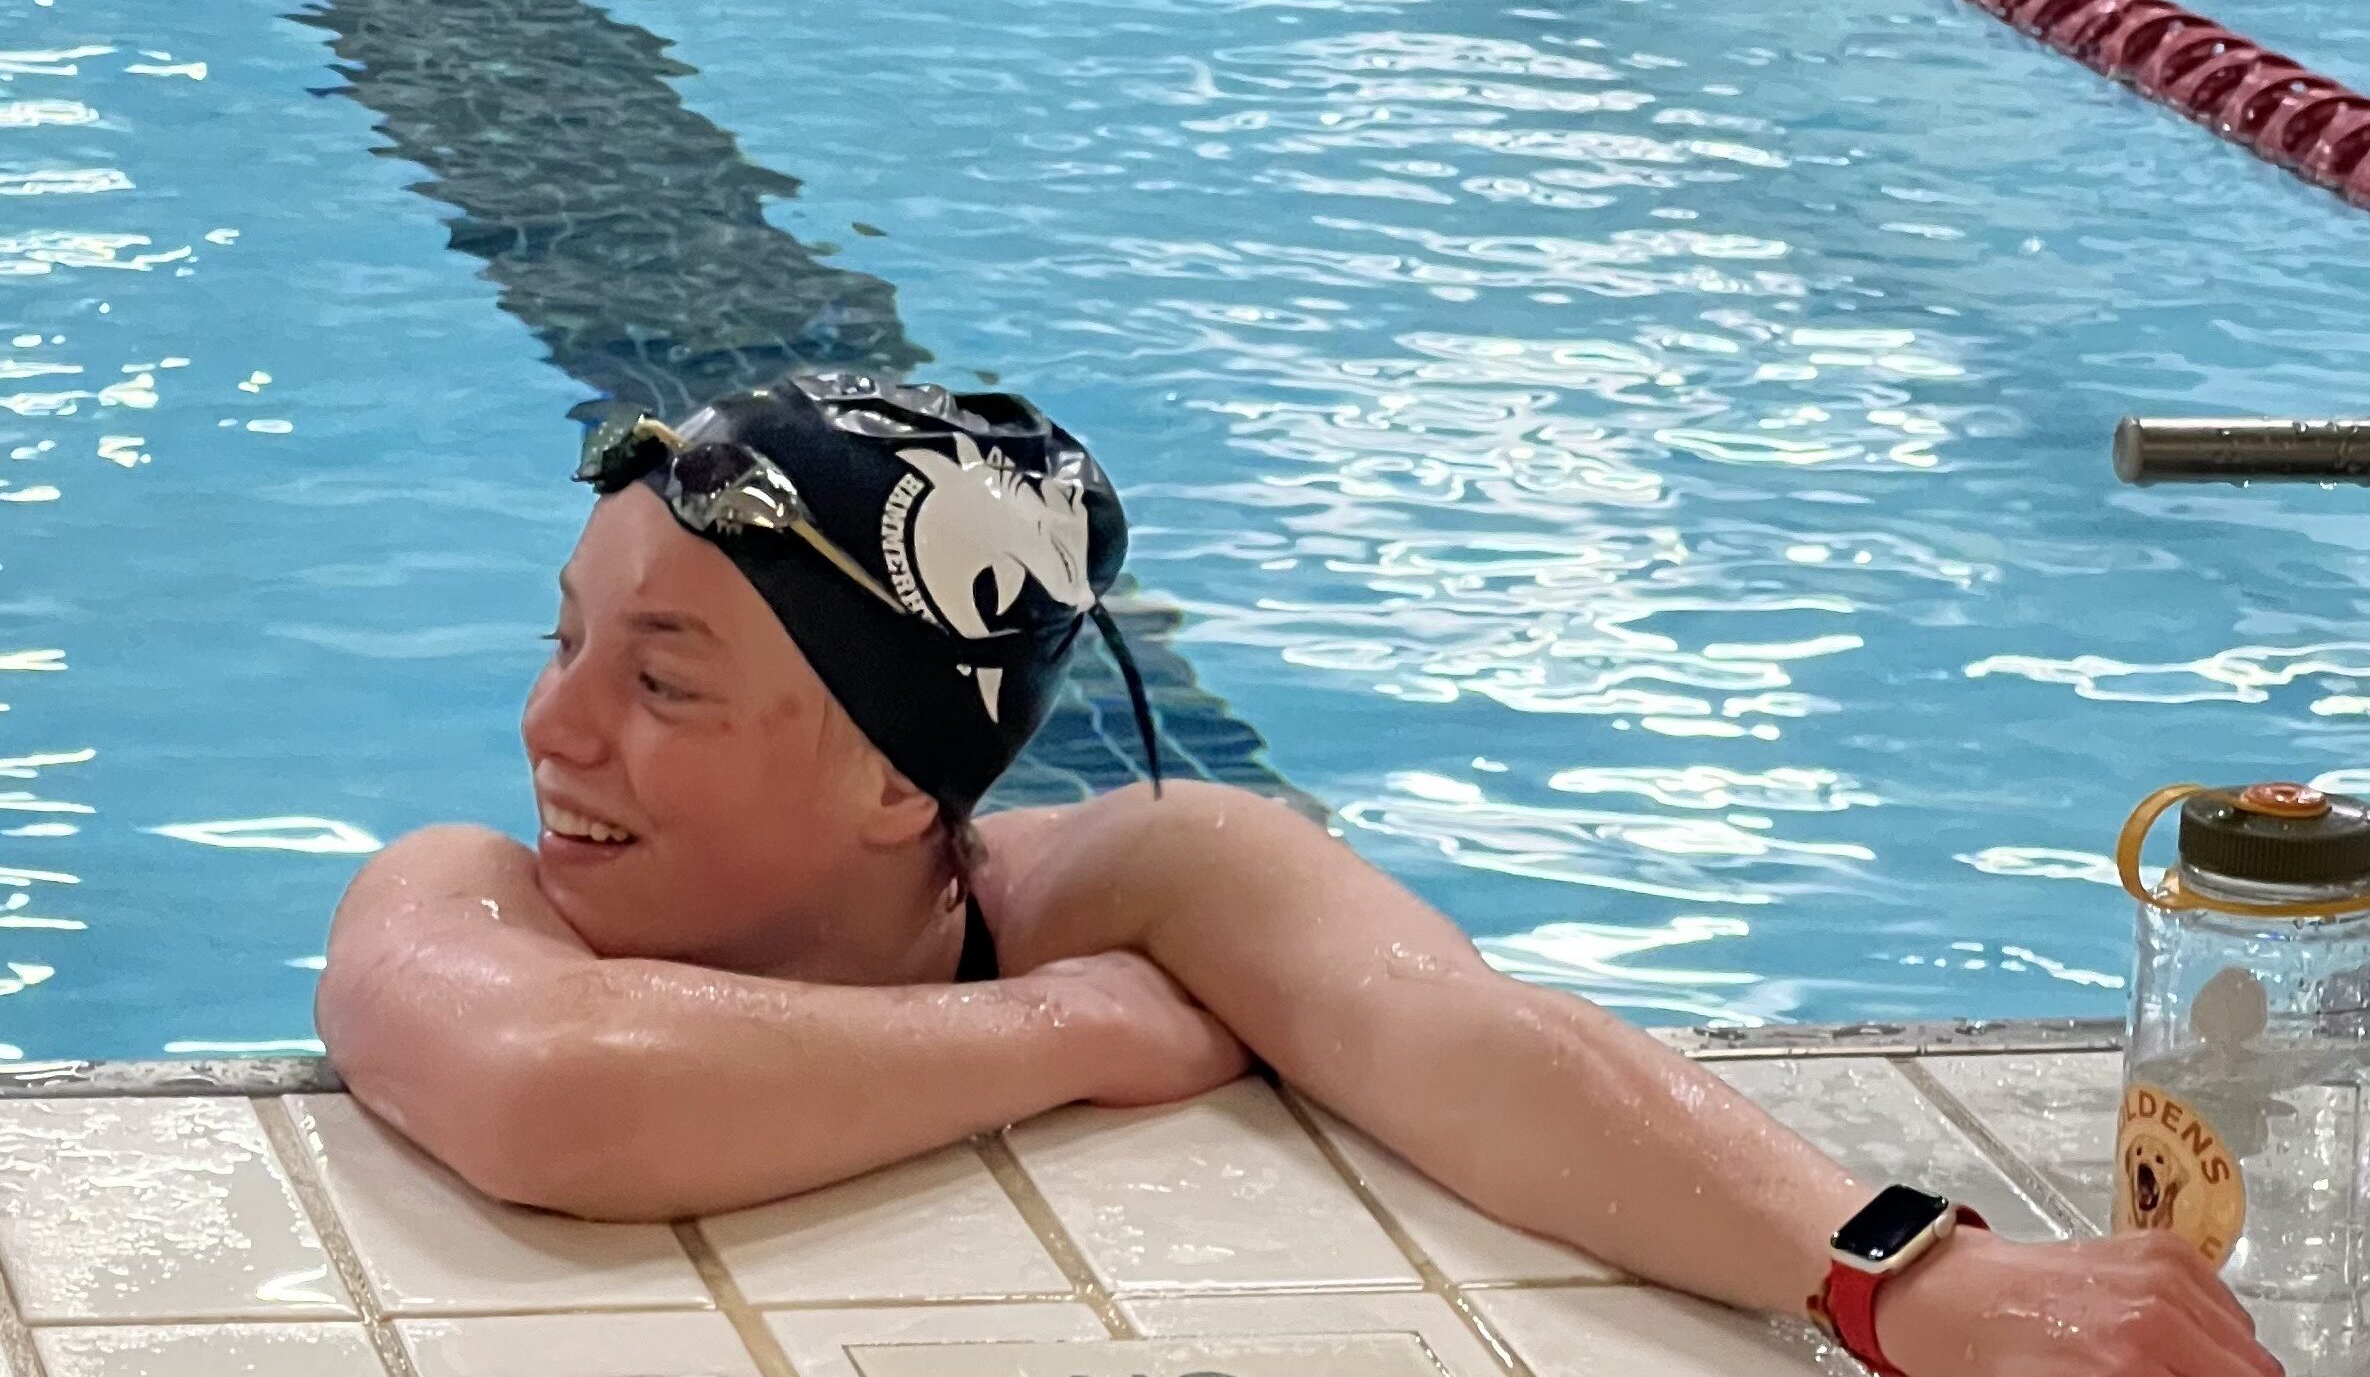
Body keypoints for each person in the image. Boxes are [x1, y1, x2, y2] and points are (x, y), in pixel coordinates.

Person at [319, 372, 2283, 1377]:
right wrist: (1073, 1030)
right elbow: (553, 1089)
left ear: (898, 778)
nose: (550, 735)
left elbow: (1482, 1050)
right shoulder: (465, 893)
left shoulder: (1153, 864)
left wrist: (1905, 1276)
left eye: (656, 678)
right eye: (559, 640)